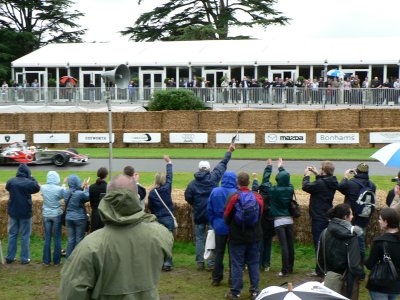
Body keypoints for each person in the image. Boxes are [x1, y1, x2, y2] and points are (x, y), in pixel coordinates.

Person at [59, 174, 173, 300]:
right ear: (137, 198)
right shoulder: (160, 234)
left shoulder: (90, 246)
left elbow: (72, 292)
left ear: (106, 199)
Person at [184, 143, 235, 270]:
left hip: (199, 213)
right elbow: (222, 164)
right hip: (212, 213)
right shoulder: (213, 178)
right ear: (208, 169)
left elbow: (187, 197)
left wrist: (195, 205)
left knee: (200, 239)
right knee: (211, 238)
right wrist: (229, 151)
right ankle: (211, 263)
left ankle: (200, 262)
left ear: (199, 169)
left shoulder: (192, 184)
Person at [224, 172, 263, 300]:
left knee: (237, 264)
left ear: (237, 183)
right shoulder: (257, 197)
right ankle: (255, 291)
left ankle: (235, 292)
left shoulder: (233, 197)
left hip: (237, 236)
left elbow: (226, 216)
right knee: (253, 263)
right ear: (249, 182)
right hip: (254, 235)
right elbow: (260, 214)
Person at [317, 203, 365, 299]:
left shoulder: (325, 232)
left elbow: (319, 258)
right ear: (345, 217)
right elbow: (354, 265)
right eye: (351, 214)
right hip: (347, 280)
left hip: (330, 277)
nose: (352, 216)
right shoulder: (352, 237)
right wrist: (361, 274)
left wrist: (327, 272)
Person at [302, 161, 339, 276]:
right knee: (327, 243)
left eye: (320, 169)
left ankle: (319, 270)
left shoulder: (320, 184)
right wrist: (317, 173)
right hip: (327, 215)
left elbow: (306, 187)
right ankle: (327, 268)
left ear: (323, 170)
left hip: (318, 216)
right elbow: (323, 181)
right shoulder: (332, 181)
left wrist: (306, 175)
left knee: (318, 244)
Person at [260, 158, 295, 277]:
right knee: (290, 245)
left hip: (279, 221)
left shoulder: (273, 190)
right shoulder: (290, 188)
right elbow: (286, 178)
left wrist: (269, 167)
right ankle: (290, 268)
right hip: (289, 219)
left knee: (284, 247)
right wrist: (281, 167)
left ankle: (285, 270)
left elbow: (264, 182)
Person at [338, 162, 376, 260]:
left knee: (349, 239)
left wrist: (346, 176)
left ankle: (349, 260)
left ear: (357, 171)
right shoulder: (372, 185)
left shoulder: (351, 183)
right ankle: (360, 261)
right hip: (365, 215)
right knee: (361, 239)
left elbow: (341, 187)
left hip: (351, 216)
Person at [5, 163, 40, 264]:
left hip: (13, 212)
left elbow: (7, 188)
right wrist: (32, 178)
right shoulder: (29, 182)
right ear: (27, 172)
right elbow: (37, 187)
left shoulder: (11, 181)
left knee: (12, 234)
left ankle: (10, 257)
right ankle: (24, 259)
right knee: (25, 236)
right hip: (25, 212)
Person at [207, 171, 238, 286]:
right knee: (233, 254)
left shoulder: (215, 191)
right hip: (232, 226)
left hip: (219, 225)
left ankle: (216, 278)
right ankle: (232, 278)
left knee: (219, 252)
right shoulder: (236, 193)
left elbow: (209, 209)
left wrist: (213, 223)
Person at [365, 208, 400, 300]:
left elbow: (369, 265)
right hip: (396, 285)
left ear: (386, 221)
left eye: (380, 219)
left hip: (379, 284)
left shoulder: (380, 242)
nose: (378, 221)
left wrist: (362, 258)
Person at [148, 155, 175, 271]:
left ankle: (159, 262)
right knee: (168, 241)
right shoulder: (167, 188)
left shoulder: (152, 193)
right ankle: (168, 263)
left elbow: (150, 207)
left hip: (158, 218)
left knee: (159, 241)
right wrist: (169, 163)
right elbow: (170, 177)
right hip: (168, 217)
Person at [63, 174, 90, 258]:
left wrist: (82, 187)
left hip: (68, 218)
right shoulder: (79, 194)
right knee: (79, 239)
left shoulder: (66, 192)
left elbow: (76, 193)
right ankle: (78, 259)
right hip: (79, 218)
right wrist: (87, 187)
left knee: (70, 240)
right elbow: (87, 196)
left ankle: (69, 259)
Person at [41, 171, 64, 265]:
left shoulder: (43, 187)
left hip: (46, 214)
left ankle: (46, 261)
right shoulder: (59, 189)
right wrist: (63, 184)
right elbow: (63, 195)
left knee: (47, 237)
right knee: (57, 237)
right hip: (56, 214)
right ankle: (57, 261)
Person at [89, 167, 108, 232]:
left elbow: (91, 202)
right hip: (105, 214)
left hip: (95, 213)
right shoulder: (108, 187)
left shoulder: (92, 187)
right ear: (106, 175)